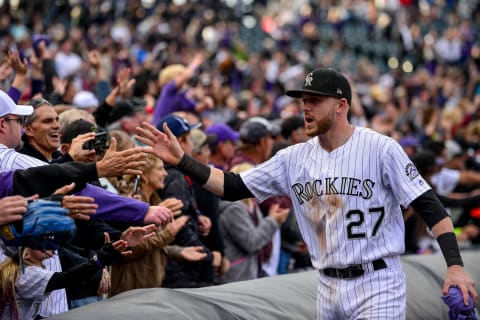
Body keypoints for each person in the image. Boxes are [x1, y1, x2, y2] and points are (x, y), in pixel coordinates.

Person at [136, 67, 477, 319]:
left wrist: (456, 266)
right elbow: (232, 187)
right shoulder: (293, 157)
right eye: (303, 100)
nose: (305, 107)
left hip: (378, 281)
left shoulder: (380, 148)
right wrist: (182, 160)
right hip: (326, 285)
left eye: (315, 100)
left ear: (341, 105)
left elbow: (430, 206)